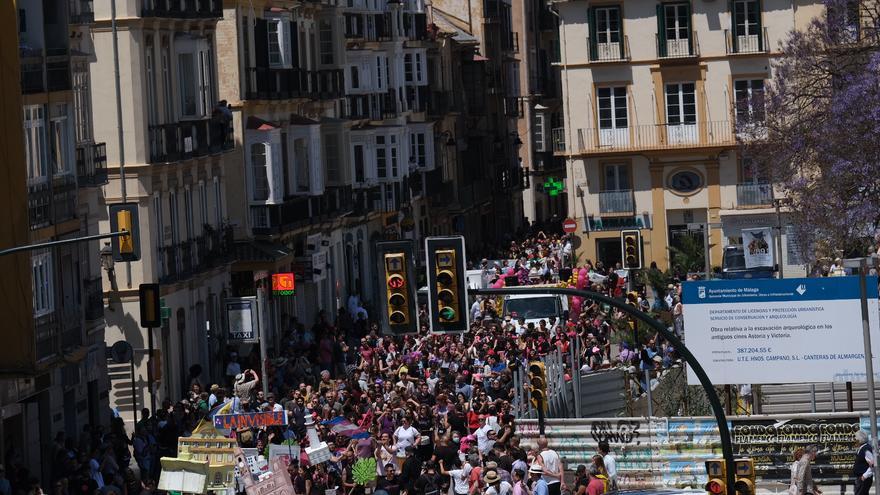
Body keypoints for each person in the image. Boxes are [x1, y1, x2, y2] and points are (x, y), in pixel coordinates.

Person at [853, 430, 874, 495]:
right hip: (861, 478)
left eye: (856, 438)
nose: (855, 440)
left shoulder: (866, 449)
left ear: (860, 439)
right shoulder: (862, 448)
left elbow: (873, 465)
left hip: (864, 479)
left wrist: (865, 476)